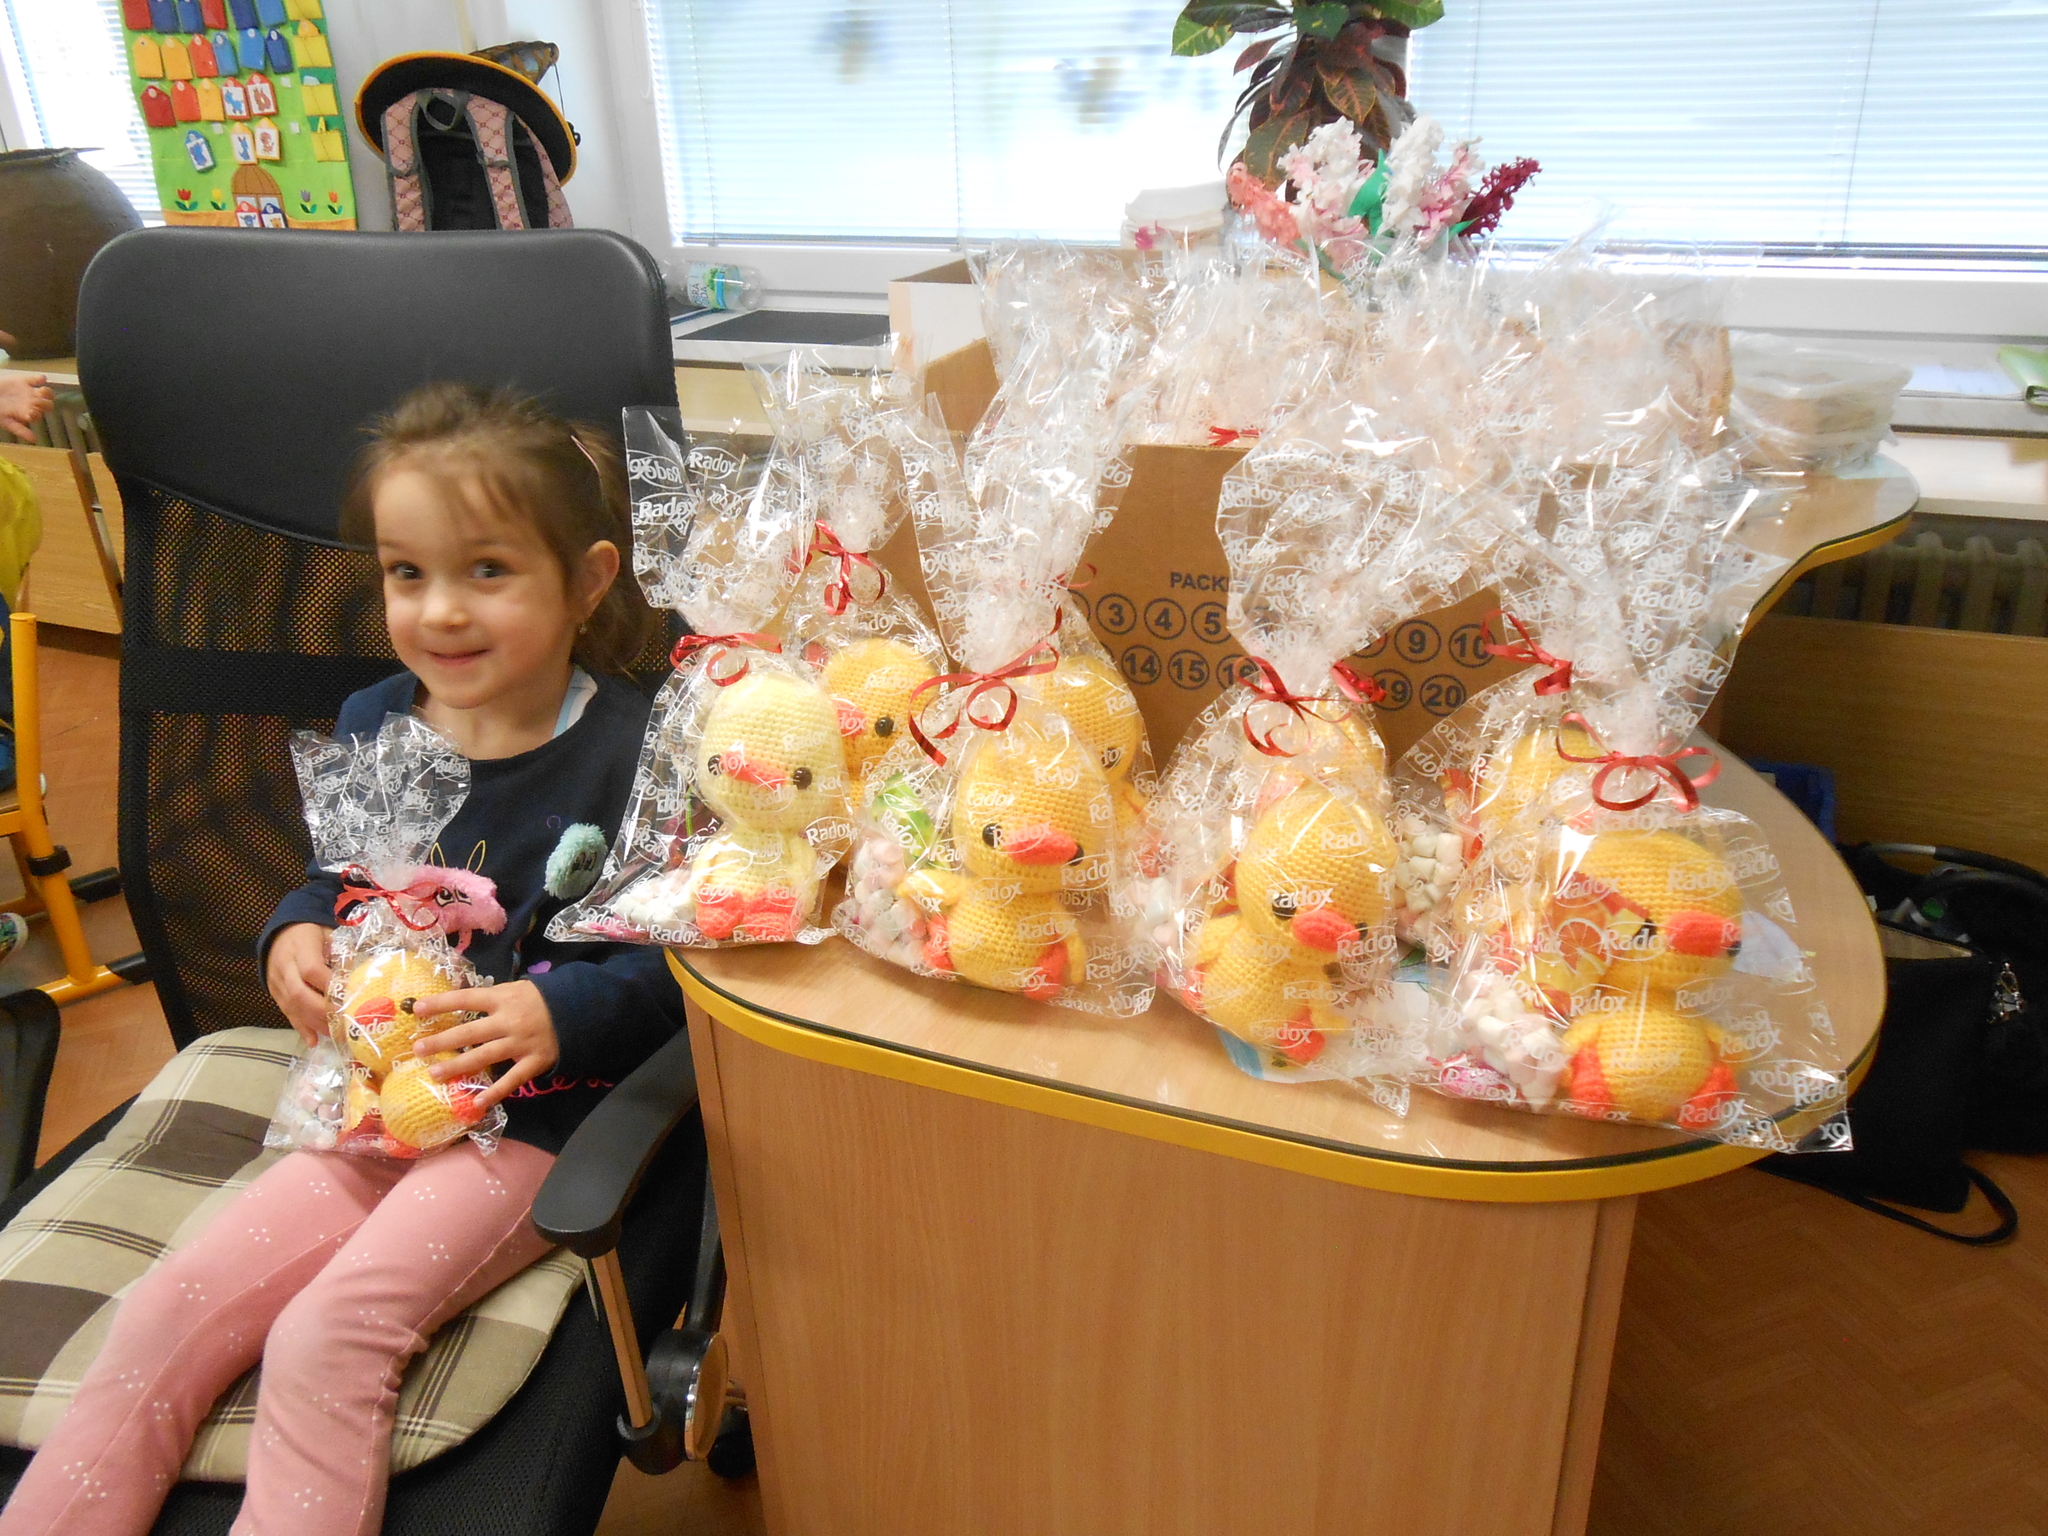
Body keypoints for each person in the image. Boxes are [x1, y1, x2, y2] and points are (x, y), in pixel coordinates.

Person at [0, 383, 686, 1536]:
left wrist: (562, 1015)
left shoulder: (638, 753)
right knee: (166, 1308)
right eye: (406, 573)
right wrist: (292, 930)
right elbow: (338, 879)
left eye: (487, 571)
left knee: (329, 1335)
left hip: (534, 1122)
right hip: (375, 1104)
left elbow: (692, 965)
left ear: (586, 582)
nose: (440, 611)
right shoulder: (379, 720)